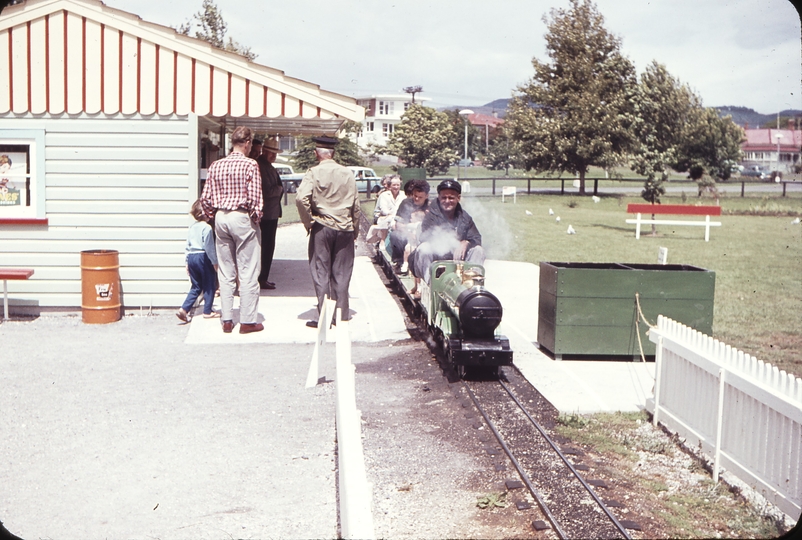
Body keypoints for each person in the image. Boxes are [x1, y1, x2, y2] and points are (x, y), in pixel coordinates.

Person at [200, 126, 264, 334]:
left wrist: (213, 215)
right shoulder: (250, 164)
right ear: (247, 143)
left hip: (221, 216)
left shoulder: (216, 165)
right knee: (248, 270)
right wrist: (255, 220)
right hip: (242, 216)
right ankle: (247, 320)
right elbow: (255, 199)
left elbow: (206, 199)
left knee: (226, 271)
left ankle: (227, 319)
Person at [295, 136, 361, 328]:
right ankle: (341, 316)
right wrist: (354, 230)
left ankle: (324, 317)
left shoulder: (313, 172)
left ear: (317, 154)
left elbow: (300, 199)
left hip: (322, 227)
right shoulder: (347, 173)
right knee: (342, 274)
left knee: (321, 273)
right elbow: (356, 206)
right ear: (334, 153)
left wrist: (309, 222)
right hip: (345, 228)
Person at [411, 179, 485, 284]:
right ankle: (431, 286)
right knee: (424, 248)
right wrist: (453, 245)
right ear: (439, 197)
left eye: (451, 198)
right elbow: (425, 237)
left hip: (458, 260)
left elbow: (476, 238)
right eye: (443, 197)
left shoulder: (465, 217)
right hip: (435, 260)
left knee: (478, 250)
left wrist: (466, 243)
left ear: (458, 198)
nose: (447, 201)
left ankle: (472, 284)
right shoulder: (430, 216)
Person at [176, 199, 219, 322]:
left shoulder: (192, 227)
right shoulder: (207, 228)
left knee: (196, 286)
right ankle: (208, 311)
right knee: (209, 284)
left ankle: (184, 309)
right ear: (205, 213)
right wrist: (214, 262)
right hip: (203, 257)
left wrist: (186, 262)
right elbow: (209, 247)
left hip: (191, 257)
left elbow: (187, 246)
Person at [256, 136, 284, 290]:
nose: (274, 156)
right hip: (266, 214)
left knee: (268, 247)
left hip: (271, 213)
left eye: (275, 153)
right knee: (265, 247)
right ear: (264, 152)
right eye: (271, 153)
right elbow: (267, 190)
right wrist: (280, 189)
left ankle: (263, 277)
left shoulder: (268, 166)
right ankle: (261, 278)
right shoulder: (261, 166)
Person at [389, 179, 430, 272]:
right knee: (395, 235)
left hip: (424, 235)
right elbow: (398, 224)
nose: (416, 199)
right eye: (415, 196)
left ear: (426, 196)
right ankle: (399, 261)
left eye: (420, 197)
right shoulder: (405, 203)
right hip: (407, 232)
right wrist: (409, 234)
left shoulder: (431, 206)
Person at [366, 175, 404, 244]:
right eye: (394, 185)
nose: (396, 187)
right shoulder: (384, 195)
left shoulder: (403, 195)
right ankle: (382, 241)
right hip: (384, 217)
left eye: (398, 185)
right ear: (390, 186)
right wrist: (392, 215)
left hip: (397, 218)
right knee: (388, 221)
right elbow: (384, 210)